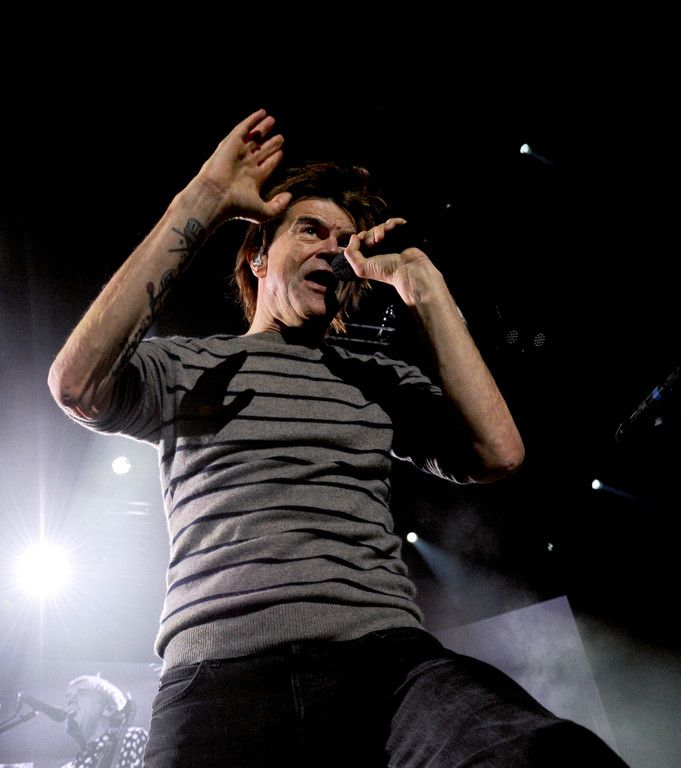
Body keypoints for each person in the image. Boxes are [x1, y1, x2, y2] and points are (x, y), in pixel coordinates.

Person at [48, 108, 629, 766]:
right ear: (257, 255)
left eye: (345, 239)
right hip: (218, 675)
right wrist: (204, 198)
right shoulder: (188, 363)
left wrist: (422, 285)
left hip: (385, 665)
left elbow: (499, 452)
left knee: (542, 754)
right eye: (310, 230)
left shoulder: (376, 376)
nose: (332, 247)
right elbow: (77, 384)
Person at [60, 674, 147, 768]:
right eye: (68, 696)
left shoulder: (132, 738)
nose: (70, 700)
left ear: (108, 709)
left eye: (83, 693)